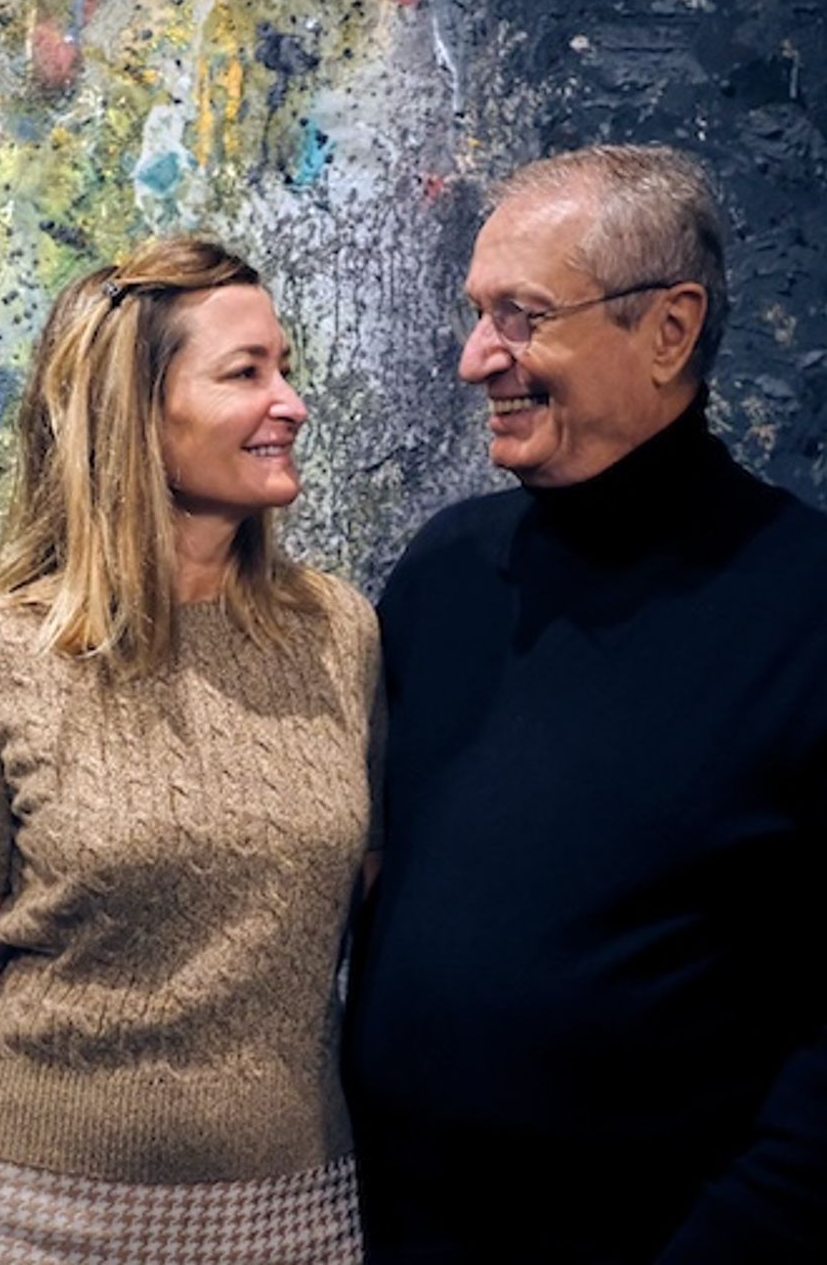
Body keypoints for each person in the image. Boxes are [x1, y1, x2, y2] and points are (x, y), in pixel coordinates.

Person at [0, 235, 382, 1265]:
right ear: (136, 415)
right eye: (246, 373)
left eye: (285, 368)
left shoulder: (341, 635)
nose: (288, 401)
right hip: (28, 1219)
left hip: (292, 1216)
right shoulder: (4, 656)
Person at [345, 145, 827, 1263]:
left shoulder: (807, 607)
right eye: (478, 314)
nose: (476, 359)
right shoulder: (444, 573)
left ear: (668, 330)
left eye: (521, 316)